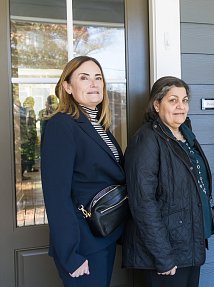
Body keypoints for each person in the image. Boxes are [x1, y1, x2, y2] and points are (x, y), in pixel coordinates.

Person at [41, 56, 125, 287]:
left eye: (98, 78)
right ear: (67, 87)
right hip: (82, 245)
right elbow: (56, 196)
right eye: (84, 78)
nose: (94, 84)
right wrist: (70, 255)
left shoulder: (99, 125)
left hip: (103, 236)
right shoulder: (61, 125)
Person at [122, 76, 213, 287]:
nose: (181, 106)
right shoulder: (146, 140)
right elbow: (142, 203)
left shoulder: (185, 135)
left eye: (185, 100)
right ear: (156, 104)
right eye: (173, 100)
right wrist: (163, 256)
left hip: (189, 243)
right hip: (166, 251)